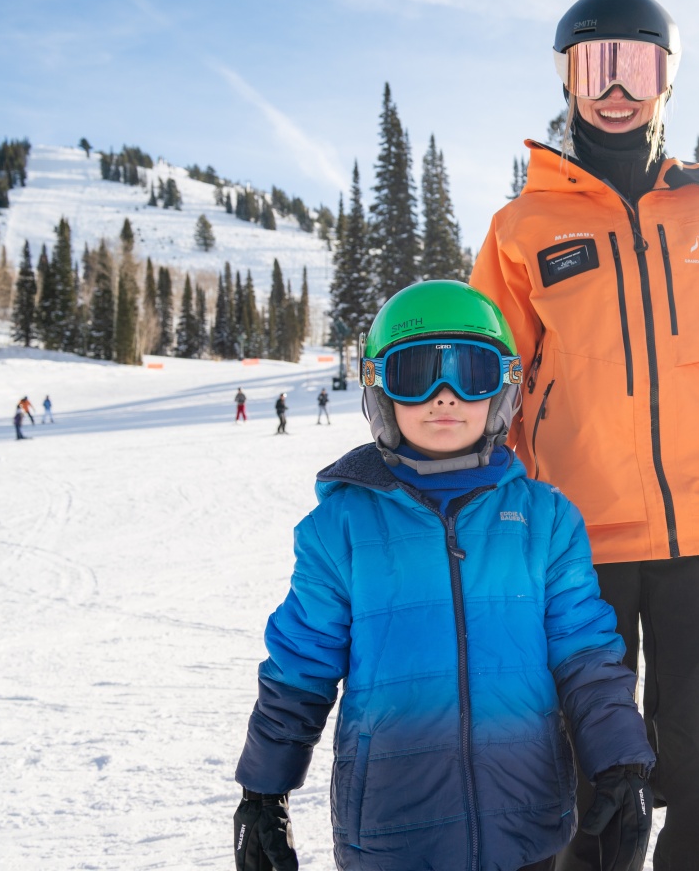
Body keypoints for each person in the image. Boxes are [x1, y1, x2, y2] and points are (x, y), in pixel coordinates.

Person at [469, 0, 699, 871]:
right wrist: (475, 508)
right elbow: (490, 385)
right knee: (588, 772)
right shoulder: (523, 227)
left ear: (667, 80)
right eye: (594, 64)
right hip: (576, 546)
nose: (616, 87)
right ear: (567, 78)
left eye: (639, 64)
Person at [232, 280, 655, 871]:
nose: (445, 396)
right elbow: (300, 666)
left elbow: (586, 655)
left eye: (471, 372)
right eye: (417, 374)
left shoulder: (546, 519)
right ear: (381, 391)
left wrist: (621, 763)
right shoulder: (340, 527)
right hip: (391, 829)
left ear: (502, 389)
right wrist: (263, 792)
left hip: (524, 823)